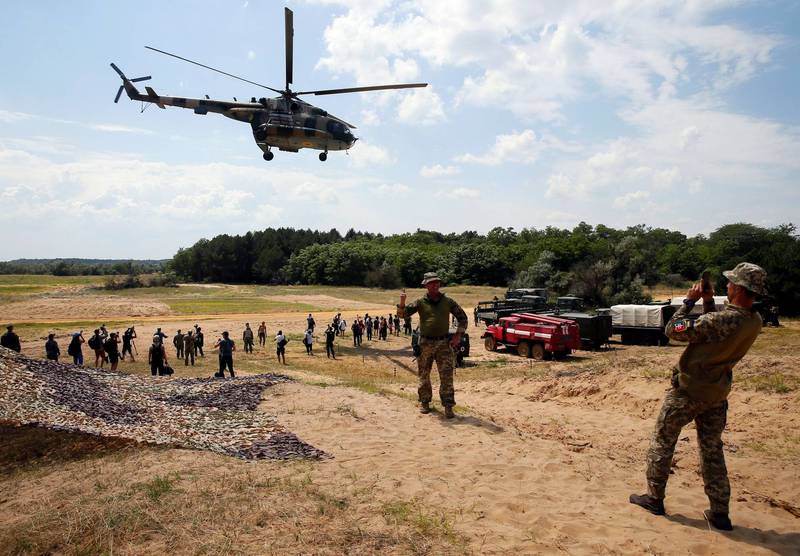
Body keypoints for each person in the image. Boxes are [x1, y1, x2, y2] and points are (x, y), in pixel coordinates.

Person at [630, 263, 767, 531]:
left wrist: (688, 302)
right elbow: (713, 334)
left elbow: (673, 329)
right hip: (716, 393)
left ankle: (654, 498)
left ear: (738, 288)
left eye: (730, 284)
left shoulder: (721, 320)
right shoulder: (754, 321)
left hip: (688, 391)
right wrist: (707, 303)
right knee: (712, 451)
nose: (726, 287)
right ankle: (719, 513)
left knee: (663, 441)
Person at [398, 272, 468, 419]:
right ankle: (425, 402)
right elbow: (402, 315)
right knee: (424, 375)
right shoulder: (420, 302)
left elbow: (463, 318)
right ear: (426, 285)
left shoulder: (448, 301)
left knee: (447, 376)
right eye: (431, 283)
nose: (435, 285)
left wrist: (458, 335)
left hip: (444, 344)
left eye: (437, 282)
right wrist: (402, 301)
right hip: (425, 344)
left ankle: (448, 406)